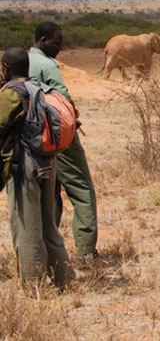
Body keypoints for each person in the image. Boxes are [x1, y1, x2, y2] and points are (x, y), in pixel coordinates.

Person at [0, 47, 73, 288]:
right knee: (48, 226)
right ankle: (64, 279)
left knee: (27, 228)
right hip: (47, 161)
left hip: (25, 166)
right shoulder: (37, 88)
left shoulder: (13, 92)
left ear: (6, 68)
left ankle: (34, 286)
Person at [28, 21, 99, 259]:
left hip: (34, 138)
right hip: (58, 133)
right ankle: (86, 251)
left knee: (50, 193)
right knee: (81, 189)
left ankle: (50, 248)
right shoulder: (47, 65)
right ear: (42, 40)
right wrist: (73, 120)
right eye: (56, 43)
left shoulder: (24, 61)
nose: (59, 49)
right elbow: (62, 96)